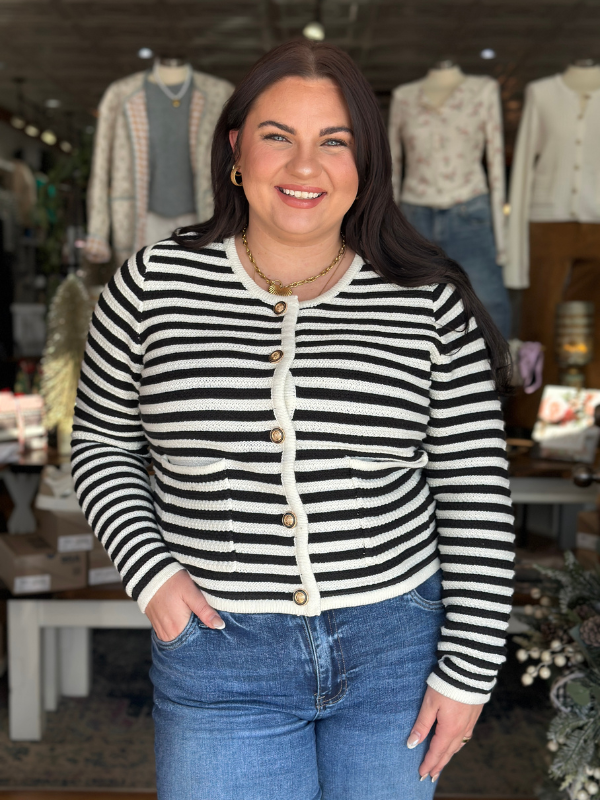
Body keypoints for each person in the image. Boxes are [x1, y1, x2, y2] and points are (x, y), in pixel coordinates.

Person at [71, 39, 515, 800]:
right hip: (218, 654)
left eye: (333, 142)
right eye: (279, 136)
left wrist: (470, 669)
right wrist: (154, 578)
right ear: (237, 146)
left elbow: (474, 488)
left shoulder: (428, 302)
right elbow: (101, 444)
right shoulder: (151, 285)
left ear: (365, 162)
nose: (304, 168)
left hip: (395, 652)